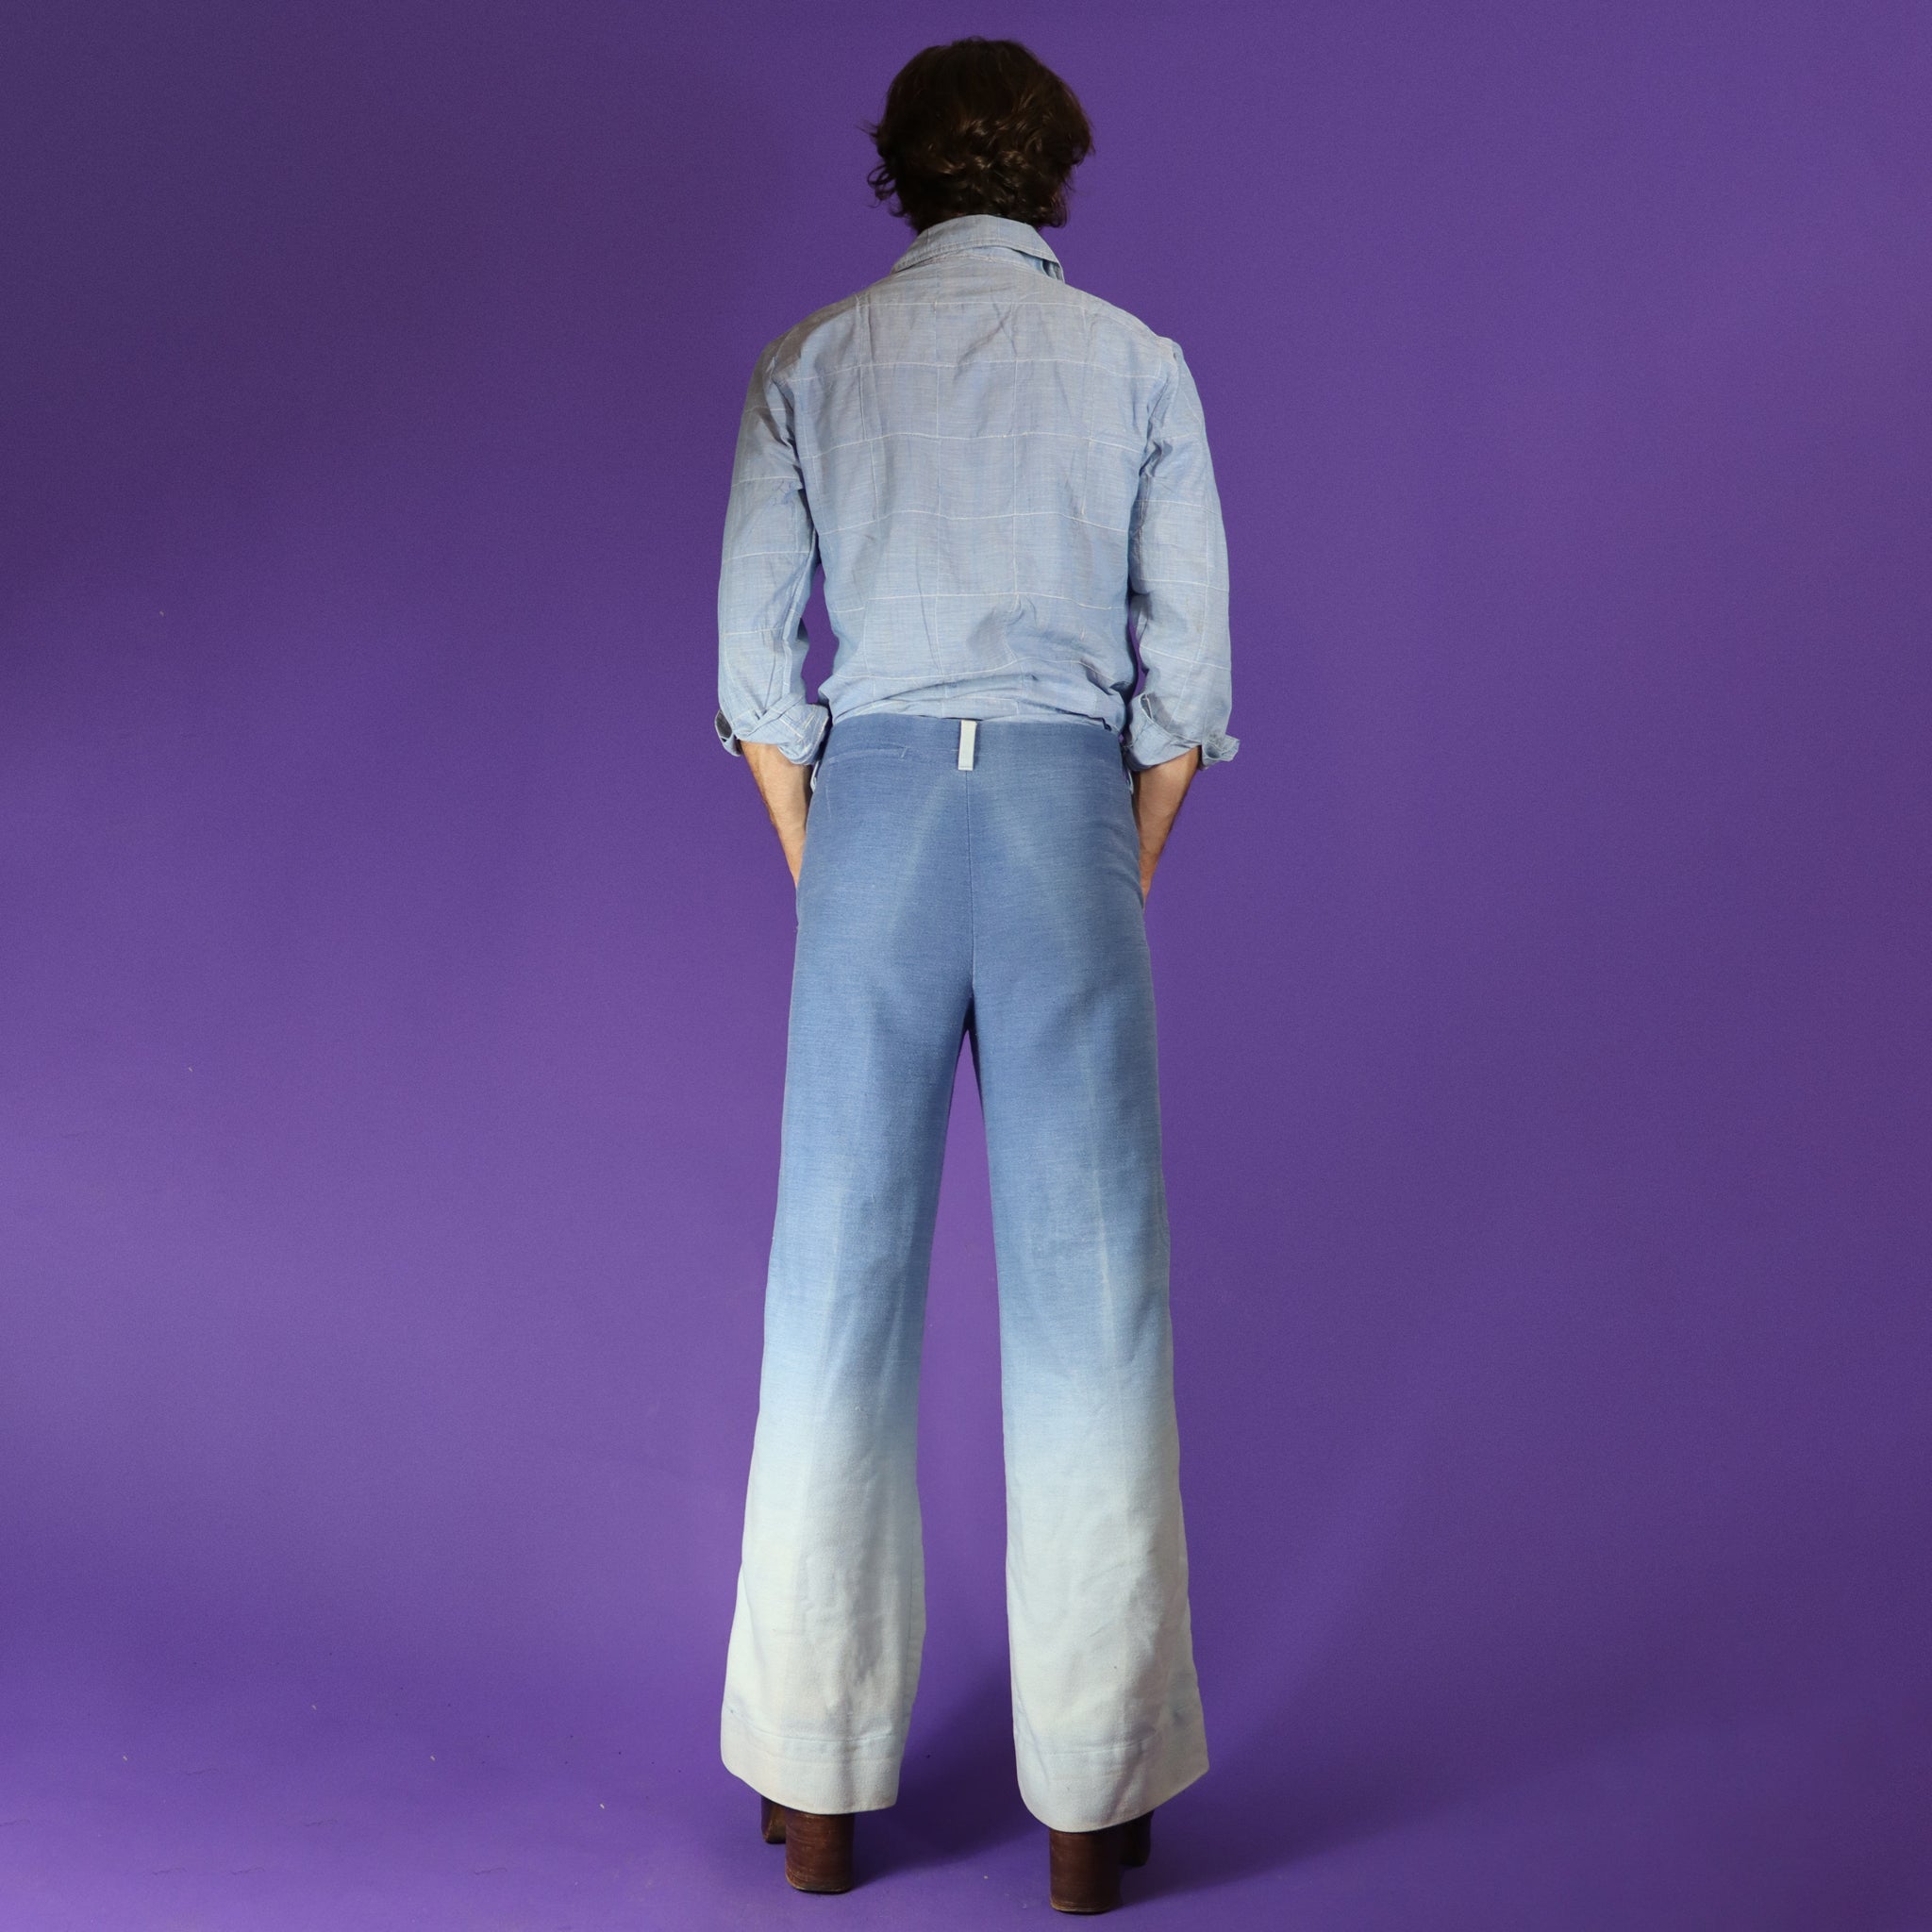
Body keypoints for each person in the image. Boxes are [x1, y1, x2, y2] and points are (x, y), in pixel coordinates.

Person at [713, 35, 1236, 1915]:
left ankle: (815, 1787)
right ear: (1055, 176)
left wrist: (834, 864)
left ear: (901, 175)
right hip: (1060, 818)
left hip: (870, 815)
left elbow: (754, 672)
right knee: (1093, 1300)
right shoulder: (1139, 366)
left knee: (833, 1292)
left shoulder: (812, 360)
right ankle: (1092, 1807)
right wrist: (1110, 865)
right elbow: (1188, 683)